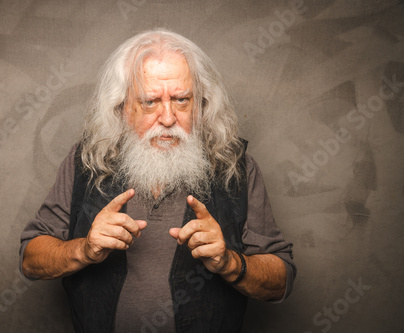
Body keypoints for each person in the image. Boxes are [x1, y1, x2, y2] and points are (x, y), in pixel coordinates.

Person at [20, 29, 296, 333]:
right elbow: (31, 259)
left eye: (181, 100)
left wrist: (230, 263)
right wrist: (83, 249)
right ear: (123, 106)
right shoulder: (87, 161)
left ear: (201, 103)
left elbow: (281, 280)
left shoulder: (237, 168)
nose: (167, 117)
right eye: (150, 101)